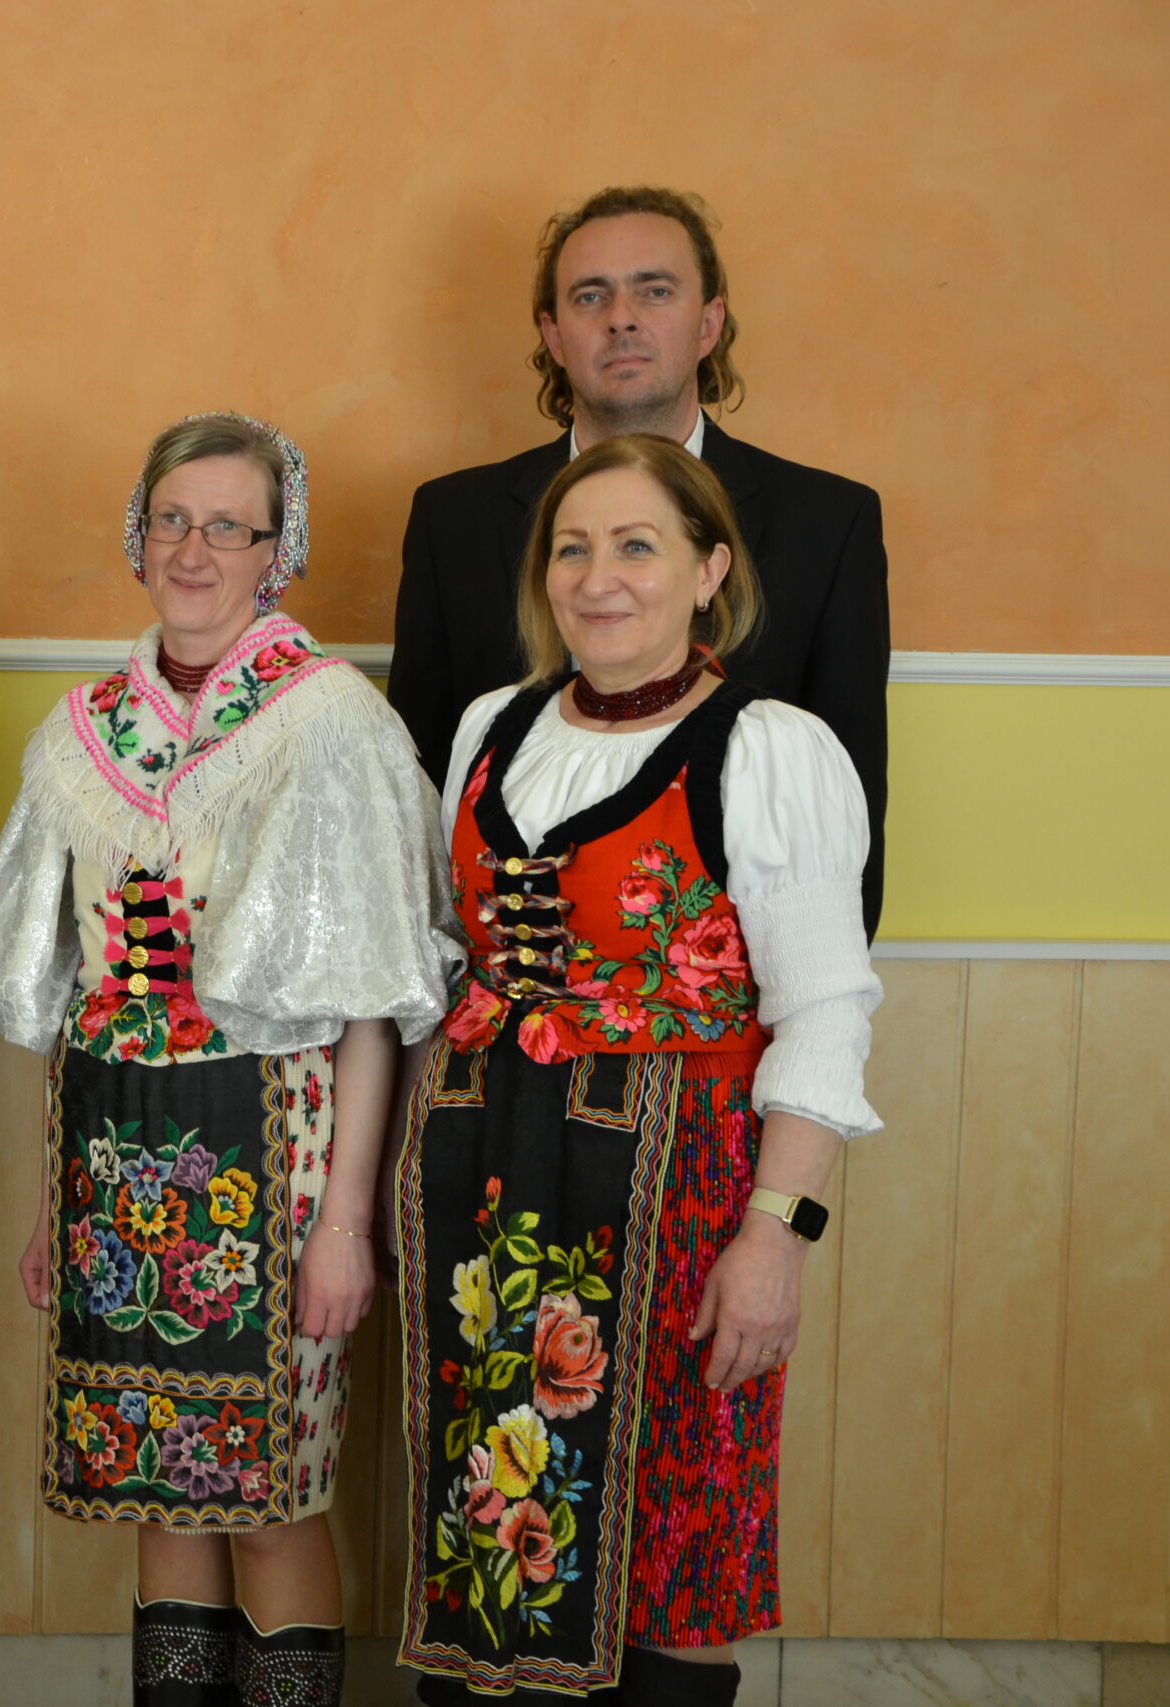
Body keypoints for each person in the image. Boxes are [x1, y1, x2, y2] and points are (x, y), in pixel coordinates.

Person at [0, 414, 456, 1707]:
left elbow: (371, 1005)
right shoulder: (85, 731)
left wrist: (345, 1223)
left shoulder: (328, 721)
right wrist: (56, 1207)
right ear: (137, 535)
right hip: (114, 1154)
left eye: (229, 525)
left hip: (274, 1159)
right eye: (172, 518)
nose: (194, 549)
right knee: (156, 1487)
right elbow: (77, 996)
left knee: (270, 1500)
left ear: (278, 552)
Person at [394, 434, 880, 1705]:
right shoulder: (490, 727)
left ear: (709, 570)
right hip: (489, 1184)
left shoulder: (769, 748)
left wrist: (774, 1237)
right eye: (571, 548)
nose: (596, 577)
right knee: (495, 1529)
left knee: (678, 1538)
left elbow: (823, 1010)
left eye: (635, 546)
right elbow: (444, 963)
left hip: (682, 1194)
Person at [387, 185, 890, 935]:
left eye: (654, 290)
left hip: (727, 992)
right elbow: (416, 801)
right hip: (491, 983)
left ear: (708, 323)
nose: (621, 317)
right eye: (590, 296)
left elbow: (849, 817)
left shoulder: (828, 523)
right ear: (554, 336)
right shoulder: (452, 520)